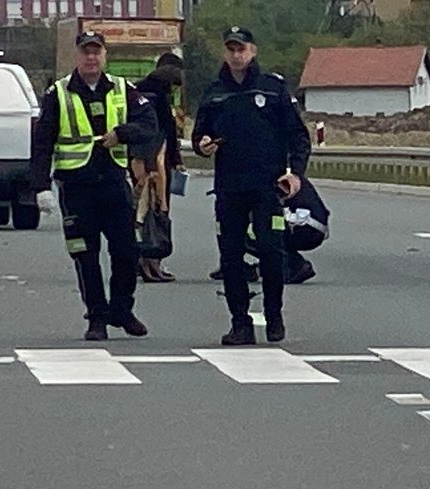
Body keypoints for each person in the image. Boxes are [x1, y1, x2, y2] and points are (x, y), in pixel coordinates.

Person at [29, 30, 159, 341]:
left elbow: (149, 125)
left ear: (104, 55)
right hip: (76, 188)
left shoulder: (123, 88)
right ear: (77, 55)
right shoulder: (58, 93)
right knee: (85, 256)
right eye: (85, 52)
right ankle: (97, 318)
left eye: (96, 52)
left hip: (113, 184)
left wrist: (122, 133)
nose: (91, 57)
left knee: (127, 252)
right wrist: (40, 187)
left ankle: (122, 309)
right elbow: (42, 143)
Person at [191, 26, 312, 346]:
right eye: (231, 49)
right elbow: (199, 135)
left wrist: (295, 173)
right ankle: (240, 323)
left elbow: (298, 136)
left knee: (271, 252)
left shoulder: (272, 88)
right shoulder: (215, 92)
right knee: (230, 258)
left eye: (241, 49)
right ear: (224, 53)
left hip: (267, 187)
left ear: (253, 51)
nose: (236, 55)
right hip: (229, 188)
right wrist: (203, 145)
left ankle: (274, 315)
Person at [208, 175, 329, 285]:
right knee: (232, 217)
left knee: (241, 227)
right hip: (302, 221)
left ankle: (291, 265)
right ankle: (234, 266)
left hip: (304, 224)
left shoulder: (262, 167)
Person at [130, 53, 185, 282]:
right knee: (156, 212)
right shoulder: (158, 97)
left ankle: (140, 260)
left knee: (139, 213)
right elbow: (160, 133)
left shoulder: (138, 91)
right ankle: (151, 261)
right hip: (154, 163)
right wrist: (169, 160)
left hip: (140, 160)